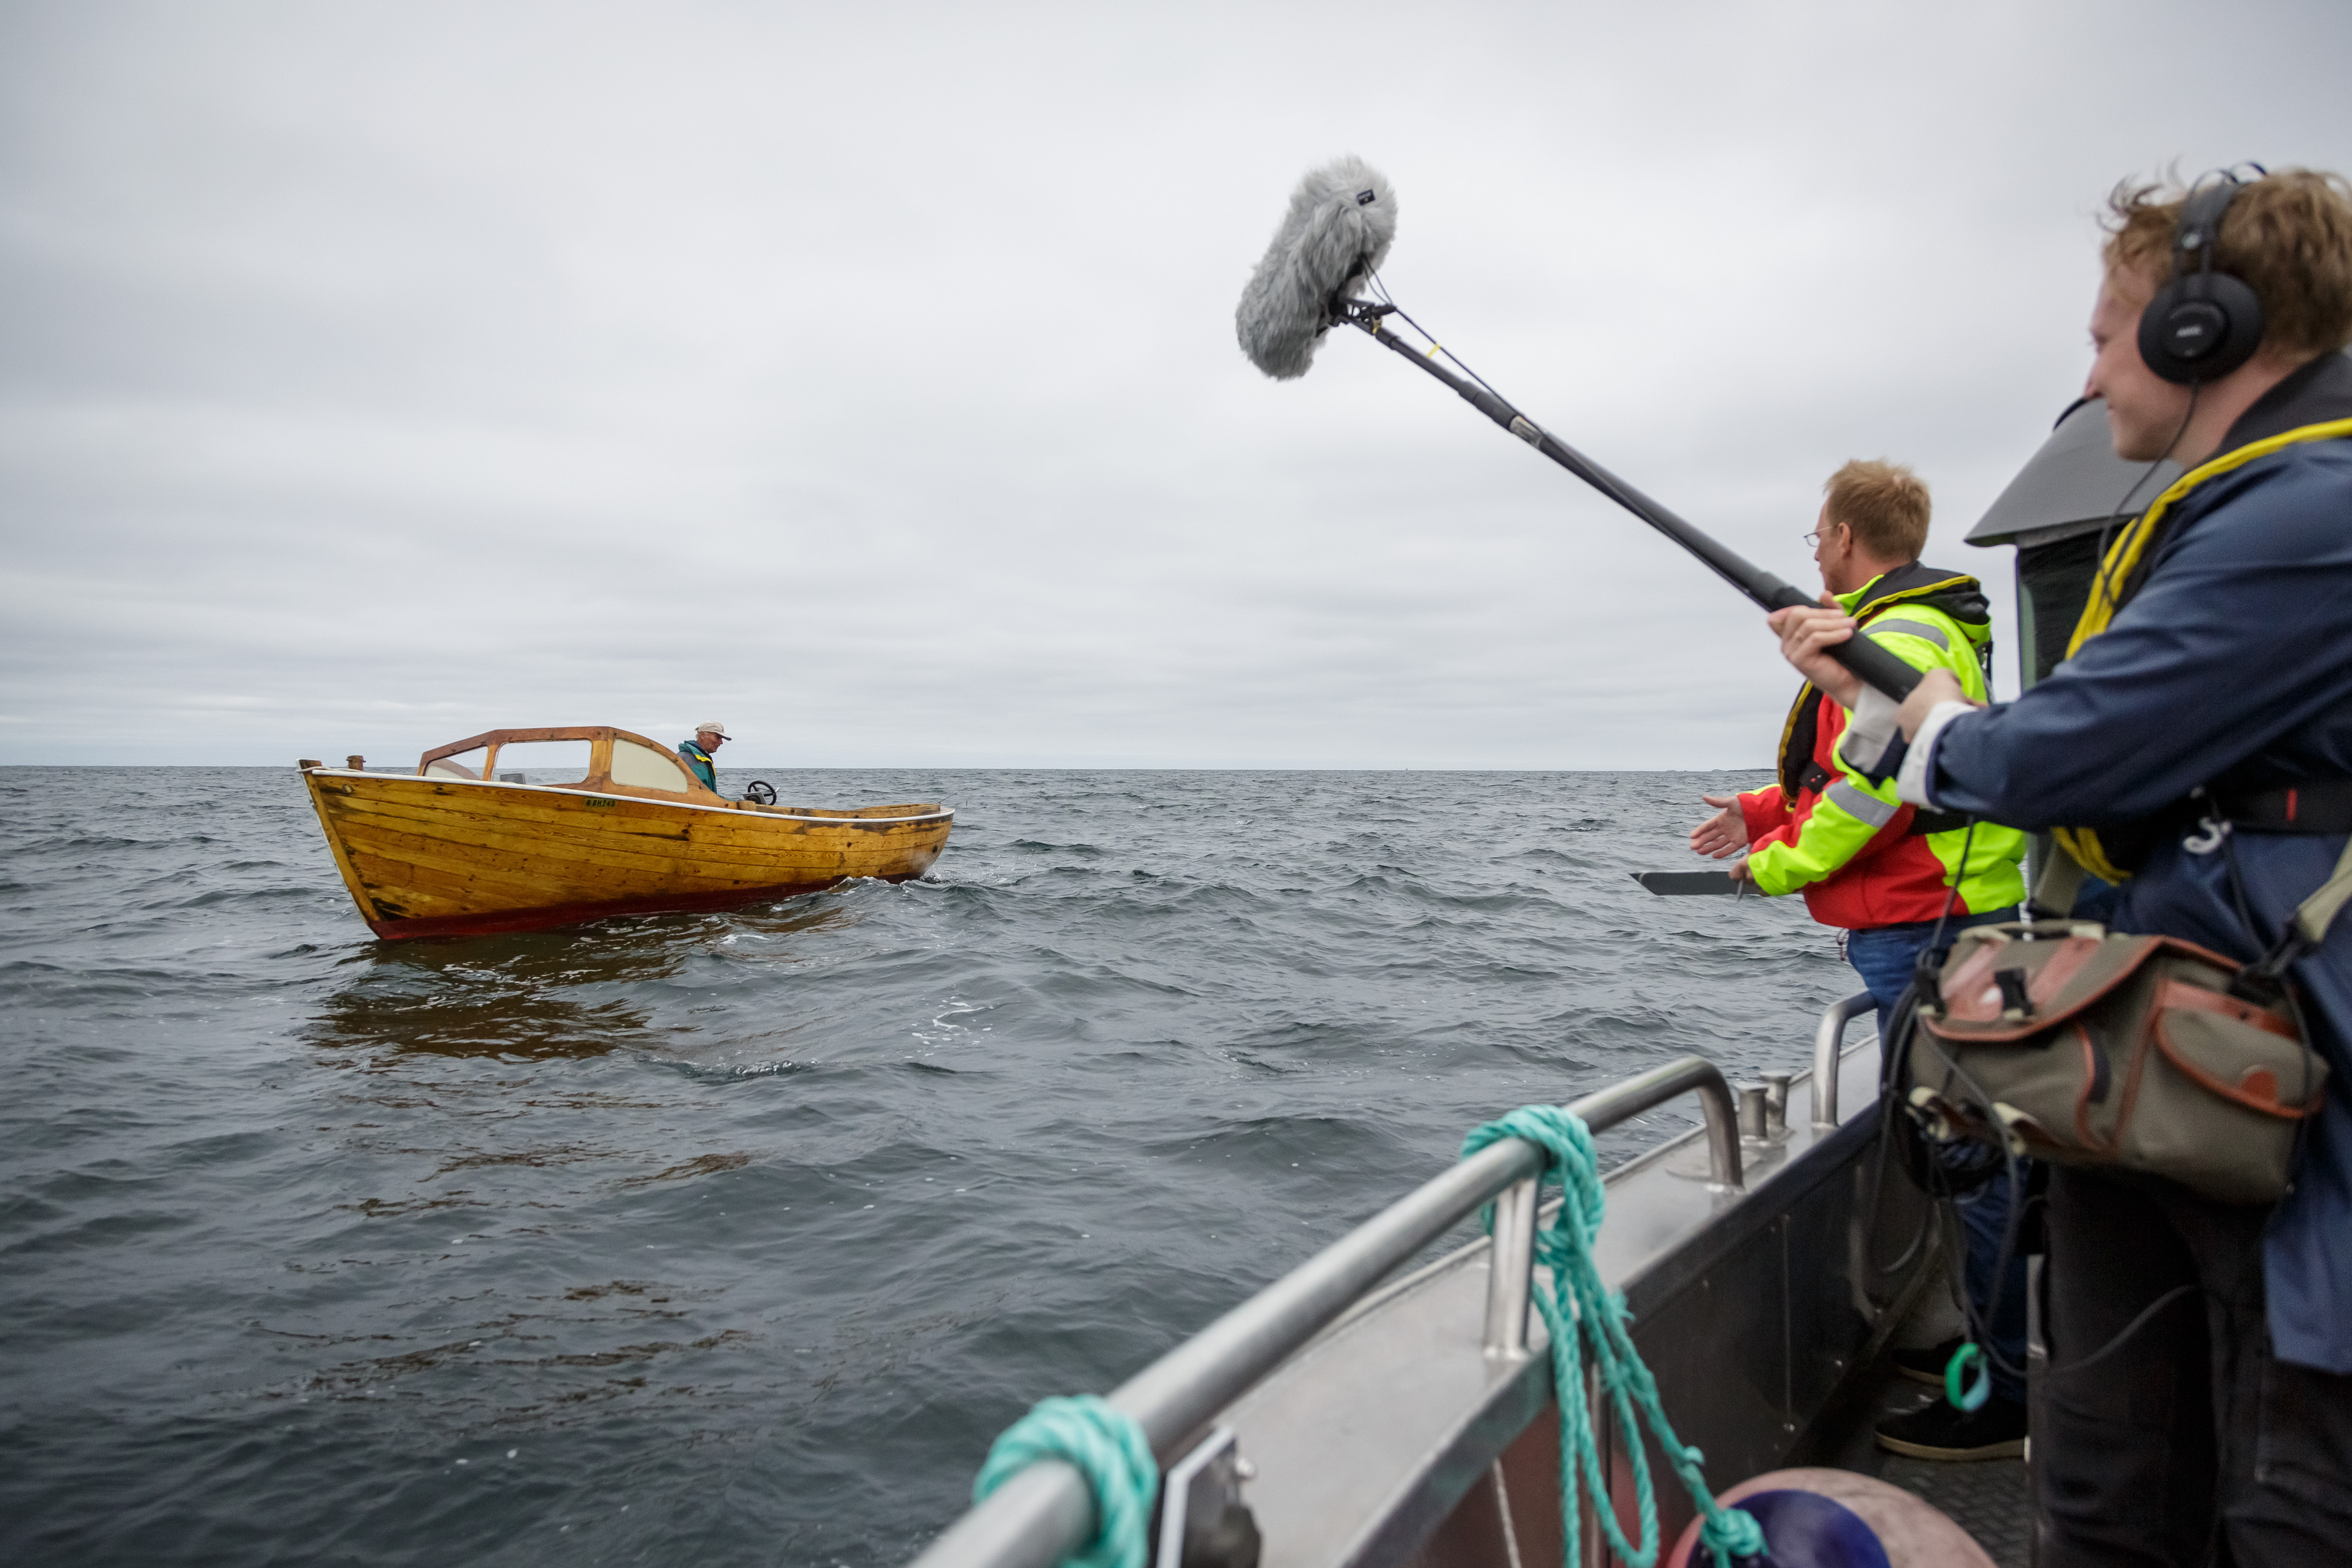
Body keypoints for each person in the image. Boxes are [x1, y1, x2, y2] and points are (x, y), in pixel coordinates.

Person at [1770, 168, 2352, 1563]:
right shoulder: (2243, 502)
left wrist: (1923, 727)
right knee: (2108, 1492)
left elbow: (2060, 758)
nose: (2087, 375)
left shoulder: (2308, 509)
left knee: (2277, 1509)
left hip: (2288, 1109)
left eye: (2103, 336)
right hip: (2187, 1087)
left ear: (2203, 329)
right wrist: (1890, 715)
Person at [1690, 460, 2032, 1460]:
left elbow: (1876, 787)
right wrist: (1762, 808)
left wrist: (1777, 862)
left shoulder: (1901, 633)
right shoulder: (1914, 626)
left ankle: (2007, 1390)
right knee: (1961, 1145)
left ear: (1843, 535)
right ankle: (1992, 1346)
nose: (1818, 553)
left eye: (1818, 536)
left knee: (1970, 1155)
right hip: (1937, 923)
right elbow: (1869, 758)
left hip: (1930, 927)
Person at [677, 721, 728, 791]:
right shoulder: (694, 760)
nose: (721, 742)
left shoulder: (688, 756)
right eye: (717, 737)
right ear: (702, 735)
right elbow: (699, 794)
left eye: (721, 739)